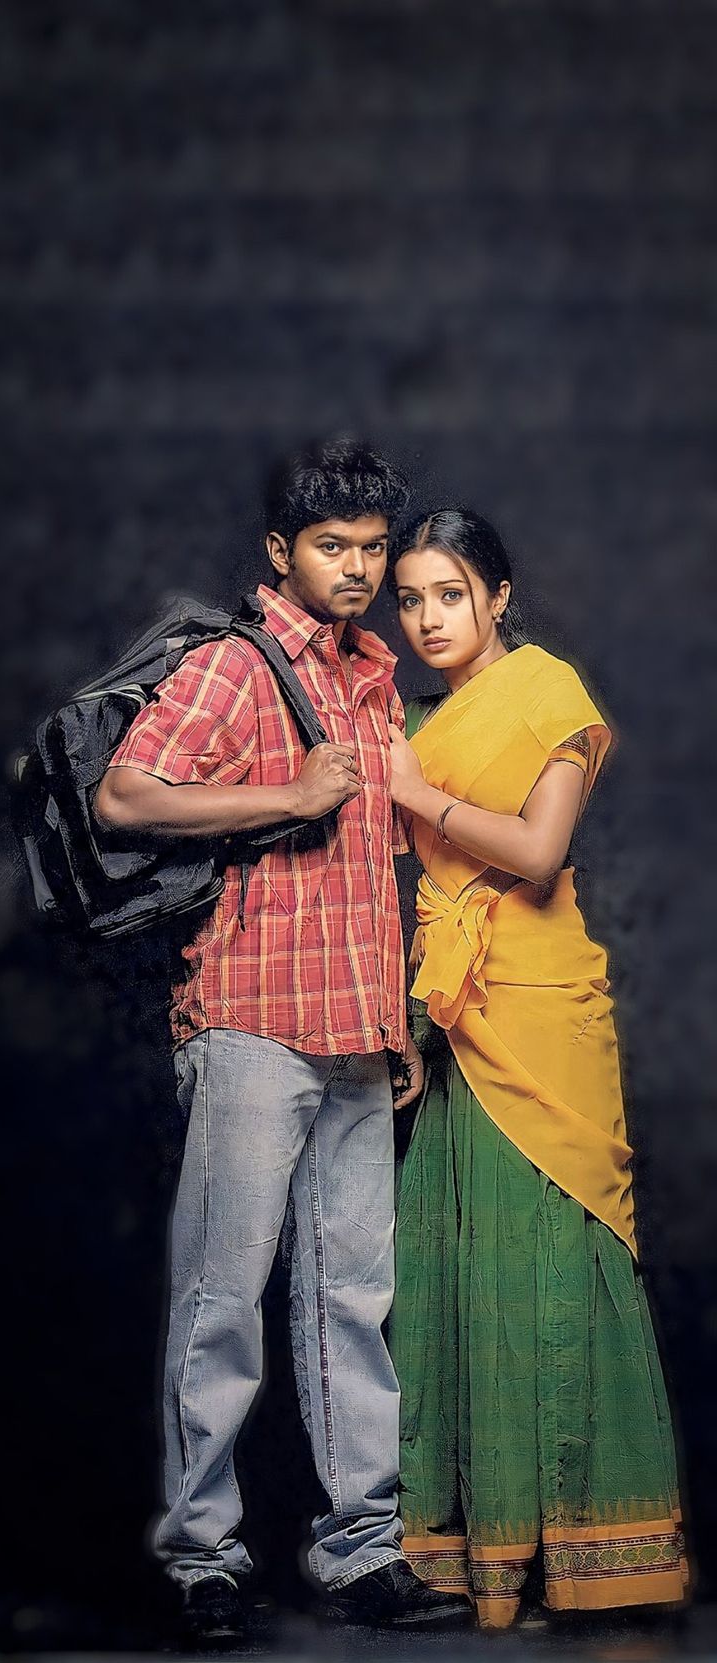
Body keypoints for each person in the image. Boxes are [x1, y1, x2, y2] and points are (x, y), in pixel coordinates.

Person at [94, 441, 470, 1641]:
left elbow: (377, 869)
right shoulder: (233, 664)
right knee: (223, 1297)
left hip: (355, 1028)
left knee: (352, 1296)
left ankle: (359, 1547)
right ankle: (204, 1555)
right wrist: (286, 796)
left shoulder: (370, 674)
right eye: (332, 549)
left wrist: (399, 1015)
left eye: (372, 549)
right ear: (281, 554)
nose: (357, 572)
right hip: (251, 1020)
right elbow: (128, 795)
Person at [385, 508, 689, 1630]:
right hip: (448, 1011)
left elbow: (536, 851)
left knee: (553, 1260)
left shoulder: (546, 693)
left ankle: (592, 1551)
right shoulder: (407, 712)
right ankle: (480, 1556)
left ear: (498, 596)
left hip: (540, 1003)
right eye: (408, 597)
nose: (424, 618)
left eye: (448, 594)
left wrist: (413, 794)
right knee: (462, 1263)